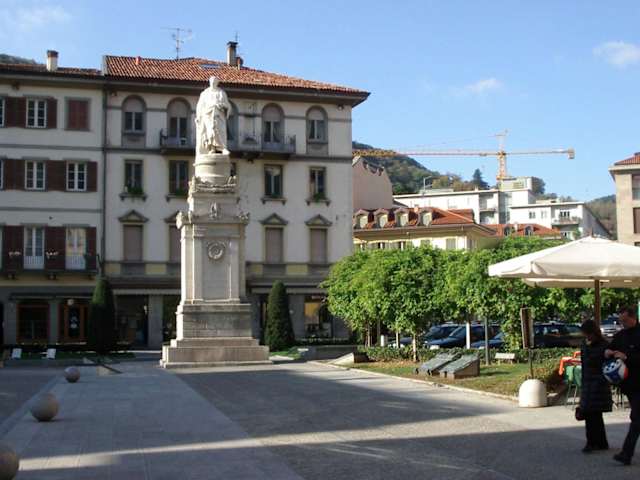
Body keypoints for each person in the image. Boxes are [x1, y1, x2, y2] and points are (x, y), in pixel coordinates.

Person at [606, 305, 640, 465]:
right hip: (629, 385)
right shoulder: (620, 335)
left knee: (637, 419)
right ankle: (626, 453)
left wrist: (627, 357)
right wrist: (607, 352)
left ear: (633, 318)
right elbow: (610, 348)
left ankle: (626, 453)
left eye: (625, 321)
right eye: (621, 321)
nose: (623, 324)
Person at [578, 320, 612, 452]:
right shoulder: (586, 345)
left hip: (598, 384)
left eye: (588, 334)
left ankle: (592, 442)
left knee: (593, 414)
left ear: (594, 333)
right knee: (593, 415)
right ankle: (600, 442)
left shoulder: (603, 346)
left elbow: (600, 361)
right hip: (588, 382)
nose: (587, 337)